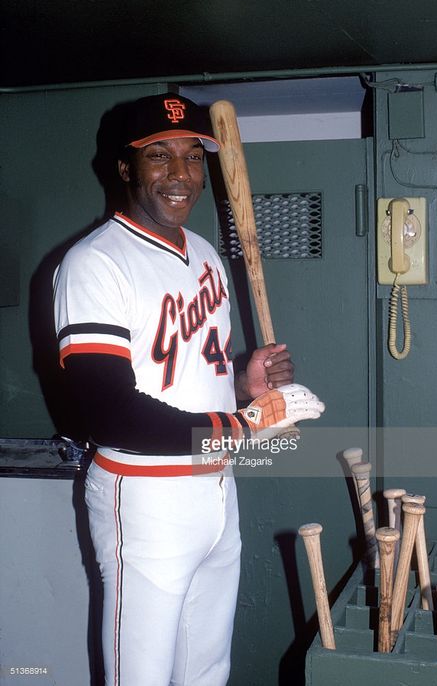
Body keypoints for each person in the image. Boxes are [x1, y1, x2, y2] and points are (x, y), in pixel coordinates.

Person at [53, 93, 325, 686]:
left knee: (207, 672)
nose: (181, 174)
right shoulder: (95, 264)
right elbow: (112, 413)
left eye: (193, 157)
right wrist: (248, 425)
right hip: (144, 498)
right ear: (124, 168)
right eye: (159, 156)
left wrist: (243, 384)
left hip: (216, 492)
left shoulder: (206, 256)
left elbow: (193, 372)